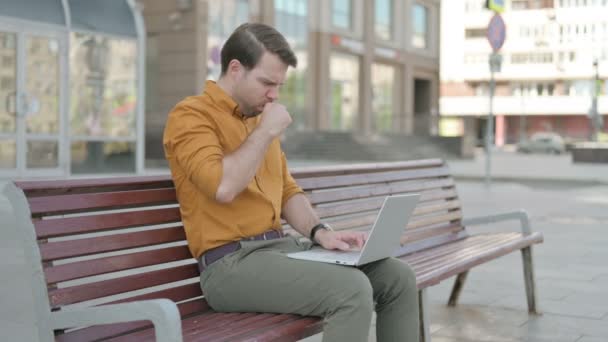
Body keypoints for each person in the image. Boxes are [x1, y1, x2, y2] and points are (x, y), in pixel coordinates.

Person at [163, 23, 419, 342]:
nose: (274, 95)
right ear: (235, 69)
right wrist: (266, 132)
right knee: (351, 291)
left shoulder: (259, 120)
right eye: (267, 83)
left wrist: (321, 232)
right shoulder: (191, 116)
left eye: (280, 85)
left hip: (280, 251)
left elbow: (287, 191)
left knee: (397, 277)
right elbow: (223, 187)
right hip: (230, 265)